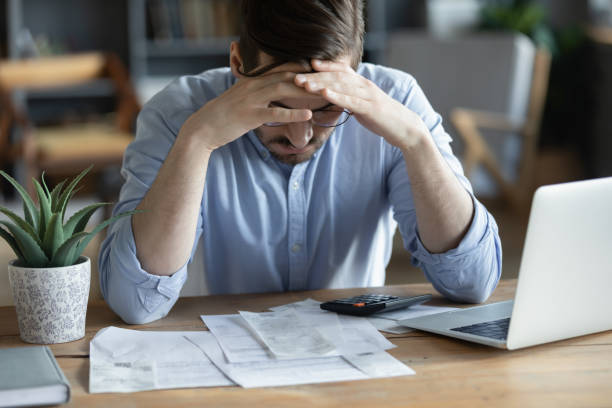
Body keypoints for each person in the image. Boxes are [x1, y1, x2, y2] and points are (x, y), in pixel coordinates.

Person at [99, 0, 502, 324]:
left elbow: (472, 282)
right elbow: (136, 302)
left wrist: (416, 142)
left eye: (328, 109)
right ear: (238, 65)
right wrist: (198, 140)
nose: (300, 137)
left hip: (355, 363)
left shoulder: (397, 101)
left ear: (356, 70)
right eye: (276, 107)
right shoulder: (177, 114)